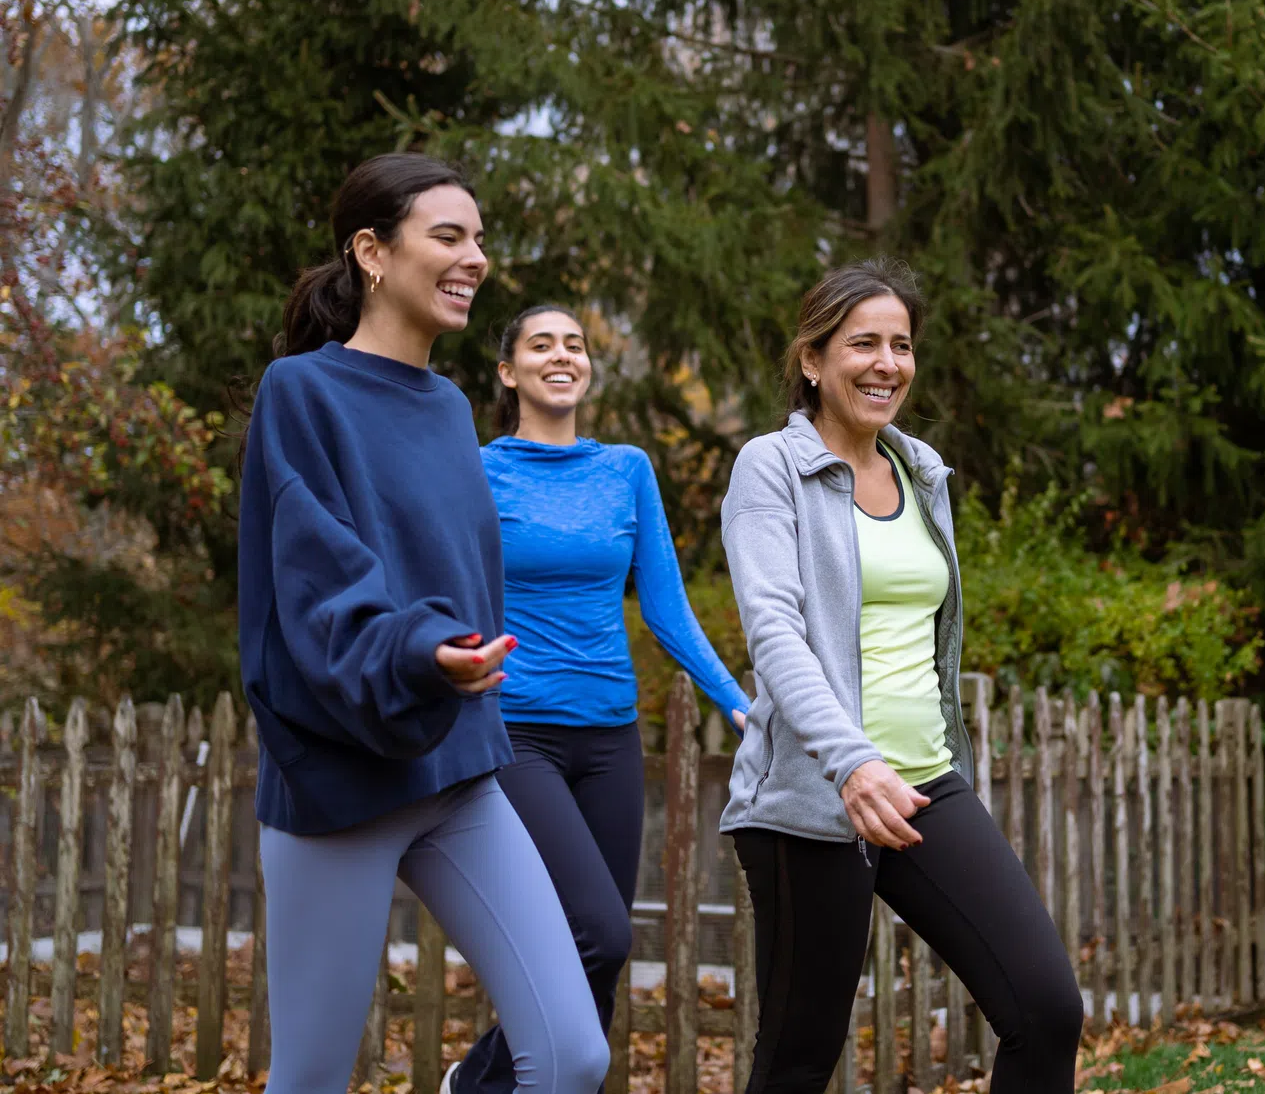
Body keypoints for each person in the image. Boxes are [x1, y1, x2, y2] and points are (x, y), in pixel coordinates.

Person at [238, 154, 608, 1094]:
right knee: (313, 1076)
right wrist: (416, 650)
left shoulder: (450, 407)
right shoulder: (301, 392)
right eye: (449, 235)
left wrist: (461, 661)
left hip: (457, 770)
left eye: (479, 238)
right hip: (337, 783)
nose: (475, 257)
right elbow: (316, 578)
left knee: (571, 1056)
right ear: (372, 250)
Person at [720, 260, 1084, 1093]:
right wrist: (851, 760)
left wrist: (901, 762)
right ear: (813, 360)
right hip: (811, 801)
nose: (887, 362)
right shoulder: (769, 467)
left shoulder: (921, 469)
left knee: (1044, 1006)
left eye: (901, 345)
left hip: (925, 783)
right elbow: (775, 632)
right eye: (863, 344)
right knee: (799, 1058)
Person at [445, 305, 752, 1094]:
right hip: (517, 733)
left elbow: (665, 605)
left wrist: (735, 702)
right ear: (508, 371)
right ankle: (478, 1083)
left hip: (610, 736)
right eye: (540, 344)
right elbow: (446, 585)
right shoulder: (478, 468)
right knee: (597, 930)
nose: (562, 355)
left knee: (603, 954)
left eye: (574, 344)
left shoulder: (626, 469)